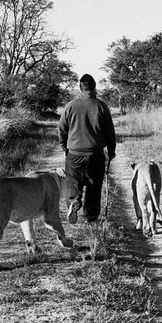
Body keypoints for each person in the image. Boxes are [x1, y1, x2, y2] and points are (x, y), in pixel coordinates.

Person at [58, 73, 116, 224]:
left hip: (74, 154)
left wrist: (64, 148)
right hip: (95, 155)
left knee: (73, 183)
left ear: (80, 88)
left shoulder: (70, 106)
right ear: (94, 87)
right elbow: (110, 132)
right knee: (94, 187)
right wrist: (111, 151)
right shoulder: (102, 106)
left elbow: (62, 129)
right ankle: (90, 219)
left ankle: (74, 201)